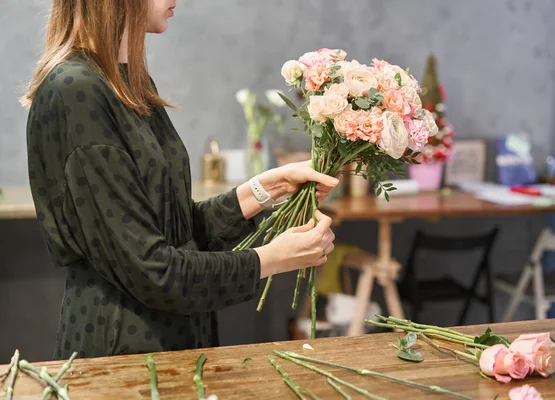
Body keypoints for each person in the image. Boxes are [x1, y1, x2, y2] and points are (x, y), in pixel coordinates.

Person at [21, 0, 339, 360]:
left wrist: (266, 190)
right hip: (123, 355)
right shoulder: (74, 91)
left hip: (174, 343)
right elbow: (153, 270)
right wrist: (272, 258)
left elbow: (173, 230)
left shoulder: (127, 82)